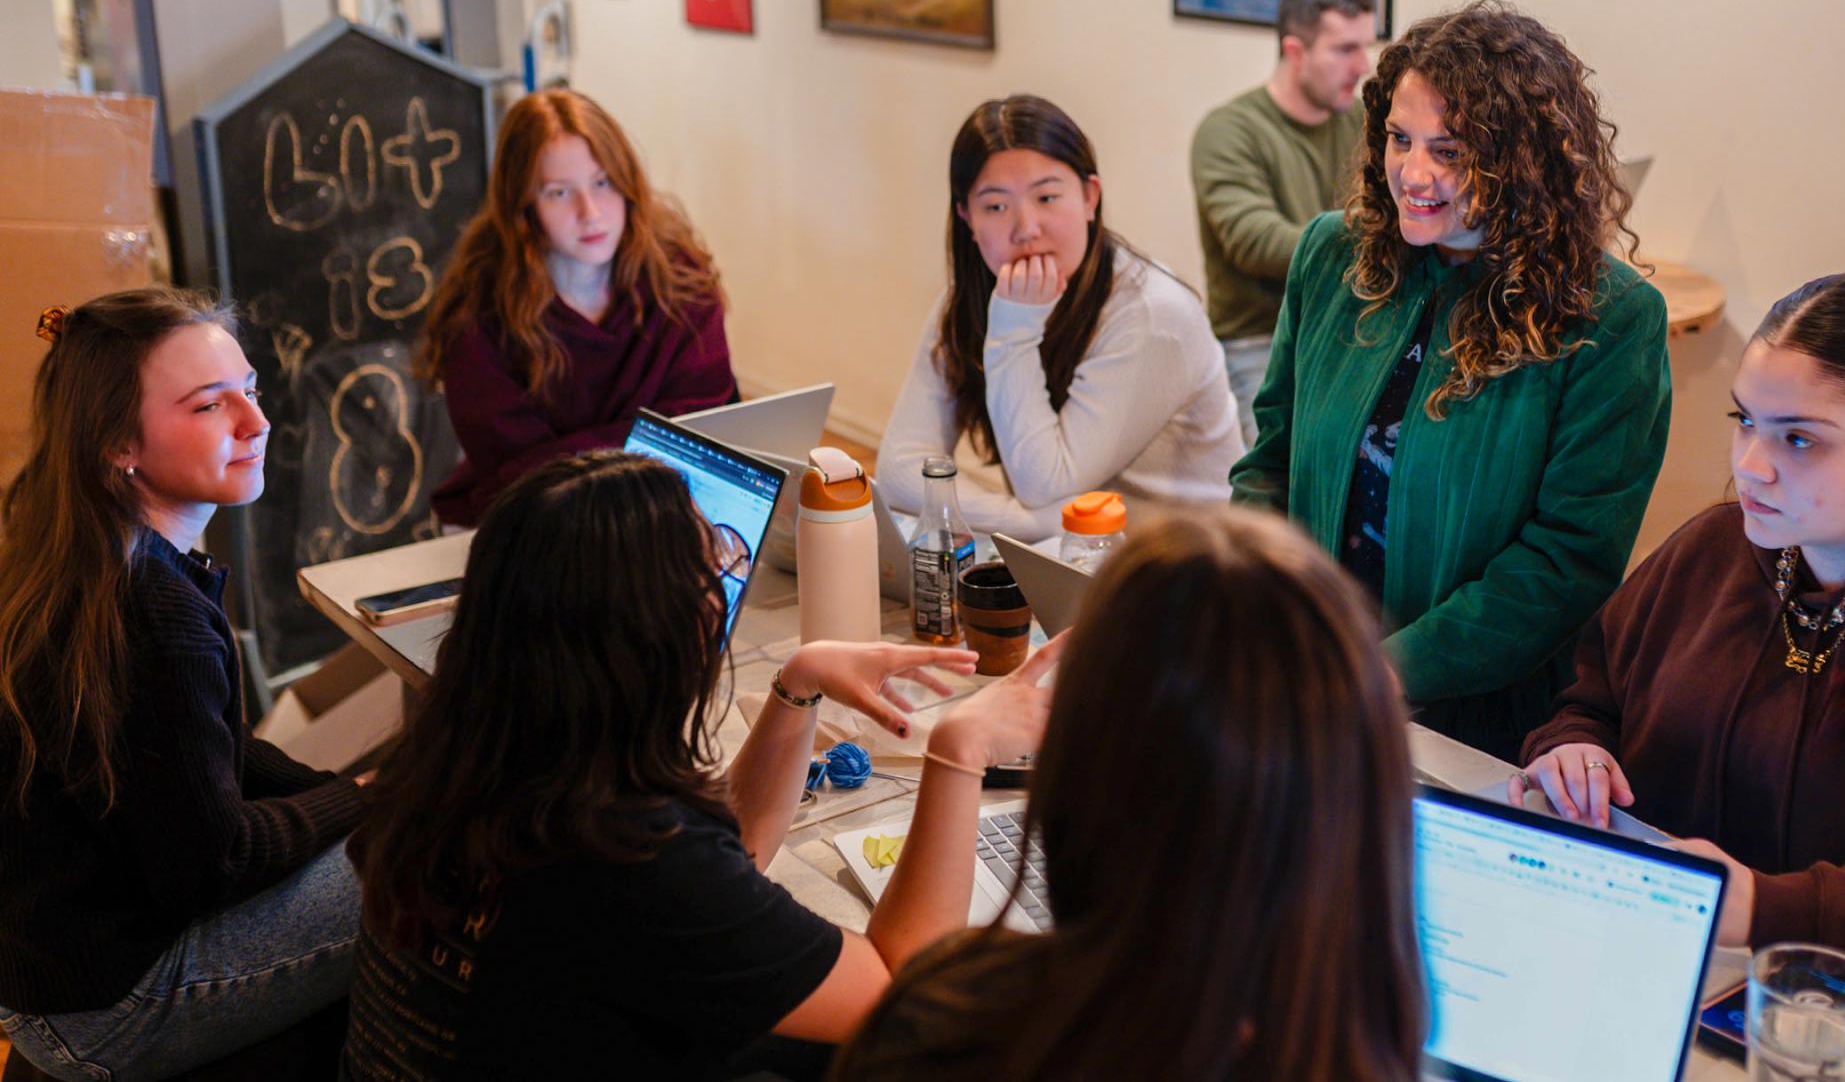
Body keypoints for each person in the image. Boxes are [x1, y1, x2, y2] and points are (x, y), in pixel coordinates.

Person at [342, 450, 1057, 1077]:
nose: (726, 580)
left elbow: (726, 867)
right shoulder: (627, 859)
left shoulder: (463, 766)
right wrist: (955, 754)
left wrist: (797, 683)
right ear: (657, 636)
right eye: (717, 562)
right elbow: (903, 995)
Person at [1516, 272, 1845, 1000]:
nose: (1750, 466)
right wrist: (1572, 750)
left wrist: (1763, 909)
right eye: (1744, 421)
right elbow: (1594, 699)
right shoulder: (1713, 548)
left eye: (1799, 438)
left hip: (1841, 1030)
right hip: (1631, 972)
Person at [831, 507, 1426, 1080]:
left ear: (1072, 785)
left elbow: (911, 988)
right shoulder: (1362, 1046)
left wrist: (955, 755)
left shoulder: (945, 1022)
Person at [1231, 0, 1670, 760]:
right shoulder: (1332, 256)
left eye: (1453, 152)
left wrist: (1382, 672)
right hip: (1302, 675)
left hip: (1477, 719)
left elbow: (1565, 563)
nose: (1414, 173)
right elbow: (1271, 462)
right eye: (1400, 139)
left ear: (1524, 163)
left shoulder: (1610, 320)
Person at [0, 291, 368, 1078]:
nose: (254, 421)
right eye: (210, 405)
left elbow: (206, 756)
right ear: (117, 443)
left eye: (251, 389)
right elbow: (215, 864)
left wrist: (345, 790)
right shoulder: (155, 615)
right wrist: (364, 801)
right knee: (441, 860)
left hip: (45, 977)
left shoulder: (76, 545)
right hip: (106, 1011)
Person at [878, 95, 1243, 541]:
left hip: (1185, 569)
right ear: (966, 219)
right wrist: (1035, 524)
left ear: (1090, 197)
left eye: (1047, 197)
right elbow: (899, 471)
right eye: (995, 206)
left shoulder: (1151, 314)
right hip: (1070, 558)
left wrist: (1014, 331)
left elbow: (1045, 482)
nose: (1026, 227)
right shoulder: (972, 301)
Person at [417, 89, 736, 527]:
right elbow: (522, 477)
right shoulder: (478, 313)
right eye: (559, 192)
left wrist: (579, 451)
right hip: (536, 523)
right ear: (522, 206)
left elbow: (707, 429)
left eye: (603, 183)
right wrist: (647, 442)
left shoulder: (681, 280)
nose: (590, 213)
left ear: (629, 186)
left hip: (668, 508)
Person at [1192, 0, 1376, 447]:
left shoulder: (1361, 122)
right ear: (1295, 52)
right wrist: (1381, 235)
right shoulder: (1230, 131)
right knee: (1281, 470)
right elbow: (1254, 241)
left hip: (1348, 325)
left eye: (1366, 47)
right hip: (1259, 340)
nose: (1362, 66)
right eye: (1345, 49)